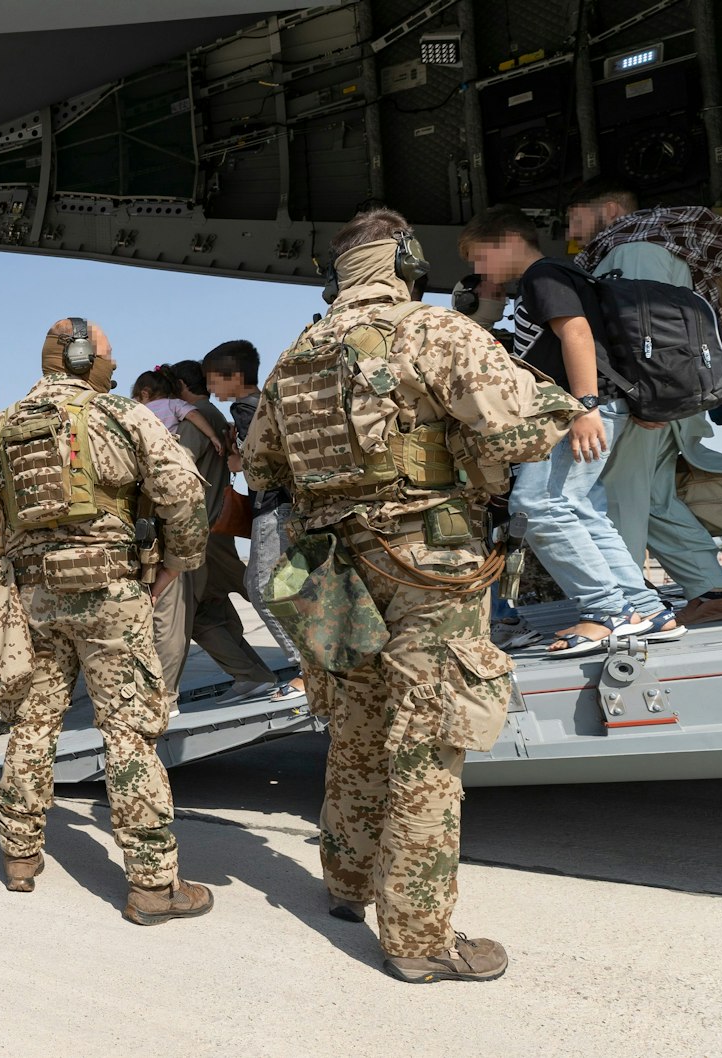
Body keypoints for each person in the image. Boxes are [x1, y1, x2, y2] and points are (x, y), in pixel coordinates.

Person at [246, 207, 579, 982]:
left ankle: (346, 882)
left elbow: (261, 466)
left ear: (339, 272)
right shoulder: (435, 332)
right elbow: (518, 427)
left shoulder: (296, 355)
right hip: (429, 558)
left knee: (357, 723)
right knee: (429, 740)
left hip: (332, 565)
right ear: (404, 260)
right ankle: (421, 939)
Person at [0, 317, 210, 922]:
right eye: (109, 357)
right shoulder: (123, 414)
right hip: (110, 591)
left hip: (33, 596)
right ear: (85, 357)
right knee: (128, 733)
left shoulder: (0, 427)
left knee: (34, 723)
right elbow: (183, 495)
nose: (114, 366)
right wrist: (175, 563)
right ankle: (152, 885)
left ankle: (18, 854)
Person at [461, 205, 681, 653]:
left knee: (537, 503)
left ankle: (608, 611)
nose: (478, 270)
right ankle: (646, 610)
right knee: (580, 508)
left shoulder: (544, 276)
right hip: (594, 405)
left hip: (580, 407)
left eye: (479, 258)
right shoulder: (557, 275)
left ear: (506, 241)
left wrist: (583, 405)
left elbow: (576, 334)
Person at [568, 178, 722, 627]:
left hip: (647, 397)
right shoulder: (653, 245)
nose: (573, 231)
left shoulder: (631, 248)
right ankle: (715, 590)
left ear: (610, 209)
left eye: (577, 219)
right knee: (654, 499)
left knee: (619, 498)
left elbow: (644, 331)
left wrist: (650, 402)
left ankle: (628, 606)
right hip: (662, 395)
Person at [161, 358, 280, 704]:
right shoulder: (210, 417)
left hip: (202, 532)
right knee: (209, 612)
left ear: (181, 388)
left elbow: (174, 472)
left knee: (190, 612)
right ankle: (252, 675)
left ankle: (164, 697)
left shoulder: (192, 422)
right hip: (214, 528)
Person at [205, 340, 306, 702]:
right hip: (289, 508)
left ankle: (307, 671)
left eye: (214, 381)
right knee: (283, 587)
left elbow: (262, 466)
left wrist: (236, 463)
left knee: (264, 588)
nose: (211, 390)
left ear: (233, 377)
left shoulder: (246, 408)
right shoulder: (264, 402)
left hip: (274, 509)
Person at [129, 367, 225, 450]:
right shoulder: (173, 404)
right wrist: (213, 436)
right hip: (169, 449)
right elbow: (193, 414)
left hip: (146, 451)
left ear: (144, 393)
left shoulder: (138, 410)